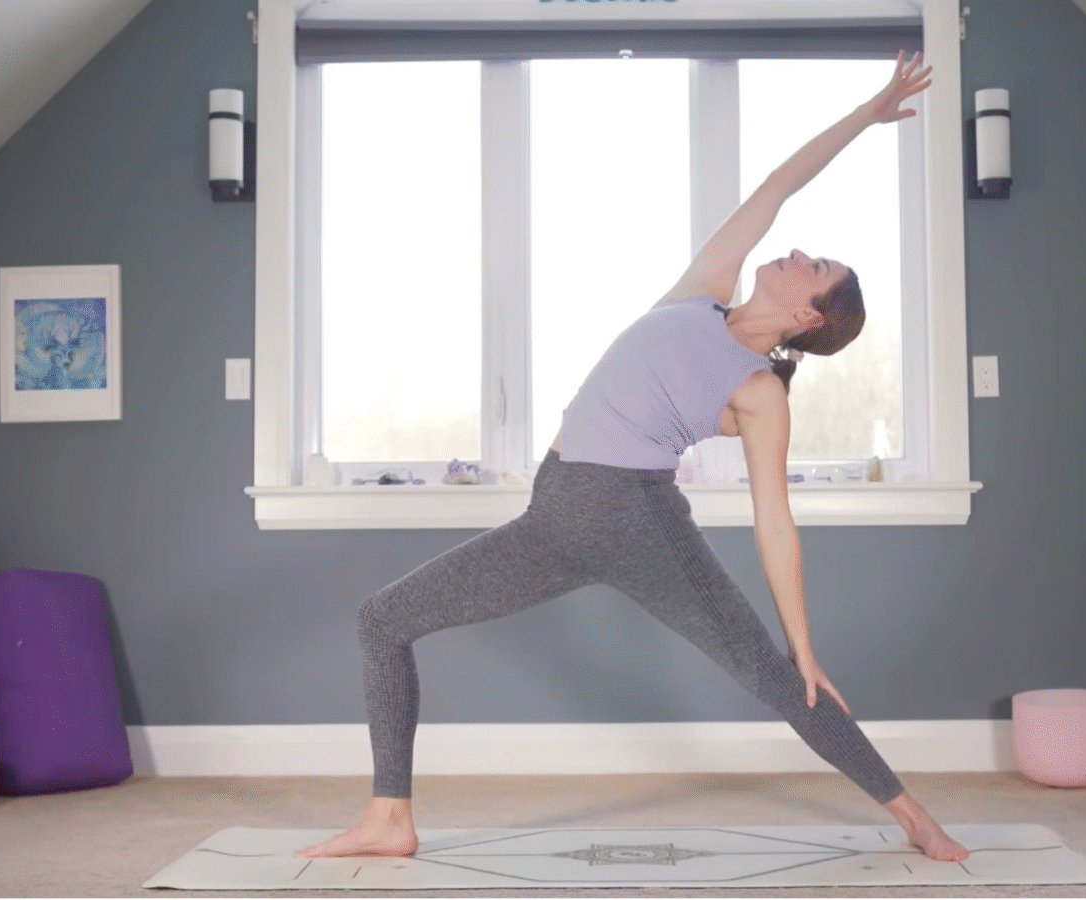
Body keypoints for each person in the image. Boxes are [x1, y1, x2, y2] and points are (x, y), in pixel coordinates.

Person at [300, 51, 969, 864]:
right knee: (383, 621)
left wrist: (805, 640)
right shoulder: (701, 292)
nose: (797, 251)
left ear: (806, 315)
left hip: (633, 518)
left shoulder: (760, 392)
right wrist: (868, 114)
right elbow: (778, 184)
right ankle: (390, 818)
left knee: (777, 674)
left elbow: (774, 522)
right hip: (553, 515)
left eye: (814, 266)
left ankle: (913, 816)